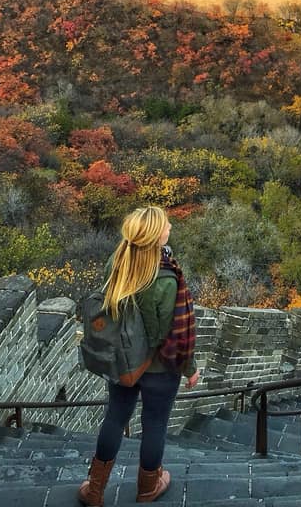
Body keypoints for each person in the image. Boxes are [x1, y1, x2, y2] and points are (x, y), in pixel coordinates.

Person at [79, 206, 199, 506]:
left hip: (123, 361)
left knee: (115, 418)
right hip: (158, 368)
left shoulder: (117, 262)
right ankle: (148, 488)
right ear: (157, 235)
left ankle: (94, 489)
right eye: (166, 225)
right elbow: (168, 333)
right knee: (155, 424)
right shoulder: (166, 279)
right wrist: (189, 368)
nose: (170, 226)